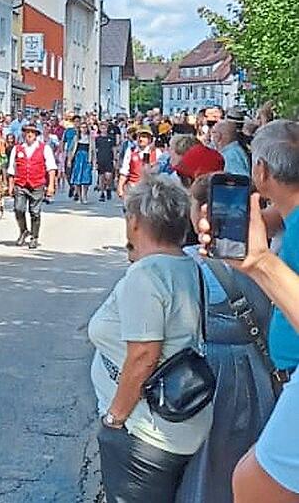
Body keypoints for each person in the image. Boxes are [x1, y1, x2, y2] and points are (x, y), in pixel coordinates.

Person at [88, 174, 213, 502]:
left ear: (136, 222)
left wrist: (114, 419)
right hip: (176, 421)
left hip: (145, 431)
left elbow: (144, 355)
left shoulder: (146, 275)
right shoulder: (187, 265)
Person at [198, 121, 299, 502]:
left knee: (256, 479)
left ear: (261, 172)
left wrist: (258, 262)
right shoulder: (289, 218)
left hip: (292, 371)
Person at [174, 175, 277, 503]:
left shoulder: (188, 261)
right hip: (261, 367)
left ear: (202, 211)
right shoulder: (272, 257)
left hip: (212, 371)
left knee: (209, 462)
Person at [7, 124, 57, 249]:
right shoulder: (17, 149)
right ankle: (23, 230)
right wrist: (10, 185)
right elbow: (11, 169)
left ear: (36, 135)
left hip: (37, 183)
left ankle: (34, 237)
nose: (29, 135)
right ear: (24, 134)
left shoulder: (44, 148)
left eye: (32, 133)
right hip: (21, 184)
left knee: (35, 212)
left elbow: (51, 168)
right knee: (19, 209)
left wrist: (51, 186)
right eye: (27, 132)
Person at [117, 126, 163, 198]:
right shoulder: (131, 151)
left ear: (150, 139)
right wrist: (120, 188)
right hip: (133, 188)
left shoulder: (156, 152)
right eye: (139, 136)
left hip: (150, 190)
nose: (141, 139)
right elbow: (124, 171)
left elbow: (161, 172)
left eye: (144, 137)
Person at [68, 122, 95, 203]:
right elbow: (71, 149)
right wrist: (69, 160)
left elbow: (93, 151)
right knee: (77, 178)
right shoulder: (76, 138)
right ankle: (79, 197)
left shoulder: (90, 138)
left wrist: (93, 161)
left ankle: (85, 195)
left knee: (86, 178)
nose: (84, 129)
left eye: (85, 127)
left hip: (87, 158)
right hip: (78, 159)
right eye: (82, 127)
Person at [96, 120, 117, 202]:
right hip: (100, 159)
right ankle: (102, 193)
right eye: (102, 128)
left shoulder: (111, 138)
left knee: (108, 176)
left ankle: (108, 188)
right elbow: (95, 150)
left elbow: (114, 148)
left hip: (109, 158)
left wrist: (115, 158)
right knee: (101, 176)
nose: (103, 129)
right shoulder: (98, 139)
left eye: (105, 128)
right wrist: (95, 161)